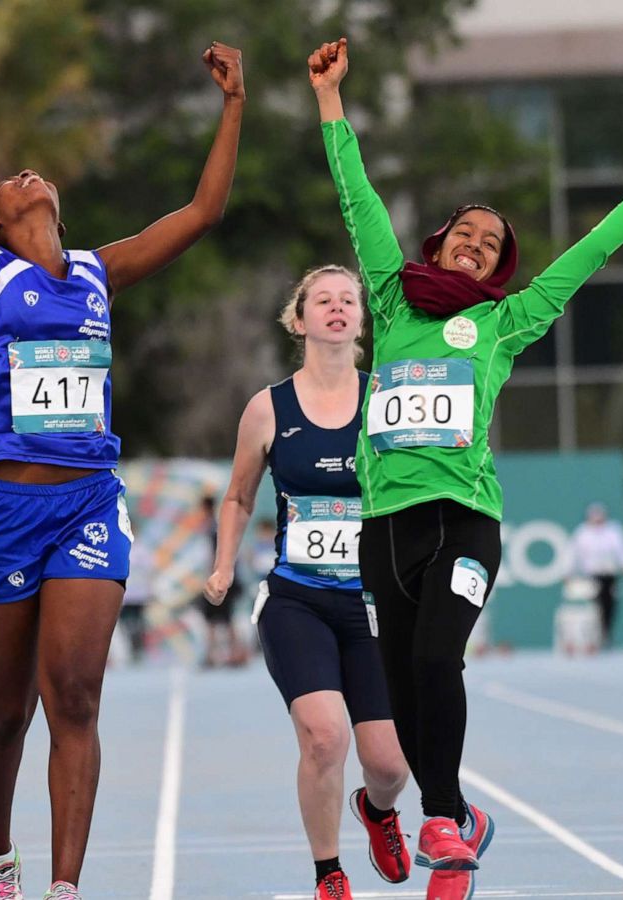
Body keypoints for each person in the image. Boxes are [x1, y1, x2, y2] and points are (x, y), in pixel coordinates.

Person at [0, 24, 243, 900]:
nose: (30, 172)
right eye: (11, 178)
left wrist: (234, 102)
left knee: (77, 697)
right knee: (6, 711)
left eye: (37, 172)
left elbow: (204, 213)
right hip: (1, 509)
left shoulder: (100, 272)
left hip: (89, 504)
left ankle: (65, 887)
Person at [308, 37, 623, 899]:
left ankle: (445, 827)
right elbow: (358, 199)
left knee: (438, 660)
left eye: (493, 245)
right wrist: (331, 100)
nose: (479, 249)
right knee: (407, 696)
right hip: (383, 529)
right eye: (468, 235)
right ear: (440, 240)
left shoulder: (506, 323)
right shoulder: (388, 293)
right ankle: (435, 814)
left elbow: (591, 252)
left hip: (466, 519)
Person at [205, 266, 412, 898]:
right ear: (300, 321)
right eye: (322, 300)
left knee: (388, 764)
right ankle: (329, 873)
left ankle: (378, 812)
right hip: (297, 598)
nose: (337, 308)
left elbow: (418, 492)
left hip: (373, 603)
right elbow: (239, 496)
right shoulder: (268, 408)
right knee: (325, 736)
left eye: (349, 299)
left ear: (361, 321)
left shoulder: (388, 400)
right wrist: (222, 565)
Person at [568, 502, 623, 647]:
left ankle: (605, 633)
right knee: (594, 606)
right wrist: (569, 572)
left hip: (610, 576)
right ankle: (593, 636)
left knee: (609, 606)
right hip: (592, 576)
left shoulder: (614, 531)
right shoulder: (582, 533)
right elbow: (574, 554)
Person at [195, 494, 247, 668]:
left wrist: (213, 576)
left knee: (220, 618)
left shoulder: (214, 528)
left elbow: (217, 554)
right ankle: (228, 653)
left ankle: (232, 653)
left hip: (218, 577)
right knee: (221, 619)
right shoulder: (211, 528)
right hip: (221, 576)